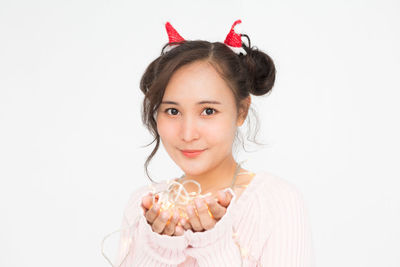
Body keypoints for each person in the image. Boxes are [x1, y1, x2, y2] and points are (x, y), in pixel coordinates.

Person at [113, 20, 315, 267]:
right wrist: (161, 250)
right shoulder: (142, 209)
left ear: (241, 111)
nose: (188, 134)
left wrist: (213, 246)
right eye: (172, 111)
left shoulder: (275, 202)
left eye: (208, 111)